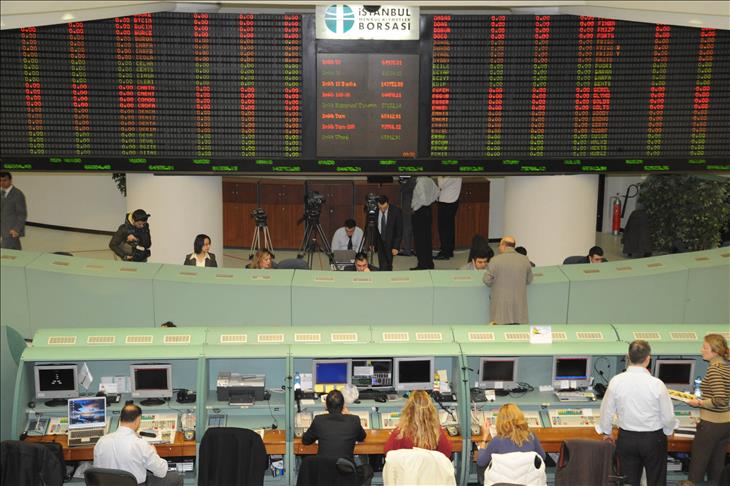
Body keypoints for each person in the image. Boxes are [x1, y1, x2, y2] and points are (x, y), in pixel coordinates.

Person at [595, 340, 678, 486]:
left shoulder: (616, 381)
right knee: (656, 481)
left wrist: (607, 432)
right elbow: (667, 416)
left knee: (628, 482)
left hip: (627, 439)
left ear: (628, 356)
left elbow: (606, 410)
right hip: (653, 439)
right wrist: (669, 430)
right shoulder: (657, 384)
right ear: (648, 358)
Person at [93, 404, 183, 486]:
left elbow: (97, 472)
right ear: (138, 420)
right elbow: (161, 472)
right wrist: (154, 453)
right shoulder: (140, 444)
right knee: (176, 477)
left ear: (120, 419)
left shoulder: (101, 441)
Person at [301, 389, 372, 484]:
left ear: (326, 406)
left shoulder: (319, 420)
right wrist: (348, 414)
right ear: (343, 405)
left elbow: (305, 441)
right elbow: (362, 437)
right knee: (368, 468)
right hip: (346, 474)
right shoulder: (354, 420)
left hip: (323, 476)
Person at [687, 334, 730, 485]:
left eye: (705, 348)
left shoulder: (714, 370)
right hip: (725, 424)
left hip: (712, 425)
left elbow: (720, 400)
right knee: (716, 466)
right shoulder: (726, 368)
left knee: (697, 468)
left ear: (715, 351)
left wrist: (698, 403)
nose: (701, 350)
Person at [476, 403, 546, 485]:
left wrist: (484, 439)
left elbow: (481, 462)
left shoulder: (497, 441)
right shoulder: (531, 437)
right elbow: (542, 457)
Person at [383, 390, 452, 459]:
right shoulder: (436, 431)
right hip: (429, 466)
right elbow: (446, 454)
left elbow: (388, 453)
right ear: (430, 410)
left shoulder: (400, 433)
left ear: (408, 409)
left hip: (407, 466)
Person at [483, 236, 533, 324]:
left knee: (500, 331)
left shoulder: (495, 260)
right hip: (519, 310)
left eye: (499, 245)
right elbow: (529, 280)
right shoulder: (525, 259)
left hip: (500, 311)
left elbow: (487, 280)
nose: (499, 248)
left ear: (503, 245)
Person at [410, 177, 439, 270]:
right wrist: (430, 201)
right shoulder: (429, 180)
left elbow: (423, 200)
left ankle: (422, 264)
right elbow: (437, 192)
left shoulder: (419, 183)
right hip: (428, 210)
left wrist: (415, 207)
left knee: (420, 240)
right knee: (427, 239)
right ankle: (429, 263)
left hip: (419, 212)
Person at [434, 177, 461, 260]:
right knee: (449, 227)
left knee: (444, 228)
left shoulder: (450, 174)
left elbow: (441, 184)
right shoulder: (456, 173)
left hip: (446, 202)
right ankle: (449, 250)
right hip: (452, 201)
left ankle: (445, 252)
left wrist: (439, 175)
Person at [0, 171, 27, 250]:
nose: (2, 183)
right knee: (15, 249)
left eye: (4, 180)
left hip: (11, 229)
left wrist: (16, 229)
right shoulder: (1, 192)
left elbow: (22, 214)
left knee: (4, 250)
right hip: (3, 227)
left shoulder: (18, 194)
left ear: (10, 180)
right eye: (0, 180)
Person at [376, 195, 403, 271]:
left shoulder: (396, 211)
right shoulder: (374, 210)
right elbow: (371, 228)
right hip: (379, 239)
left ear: (388, 203)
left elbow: (399, 230)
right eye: (380, 207)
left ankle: (387, 272)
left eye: (384, 208)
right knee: (381, 262)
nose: (382, 210)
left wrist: (396, 246)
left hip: (390, 240)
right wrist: (371, 243)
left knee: (388, 262)